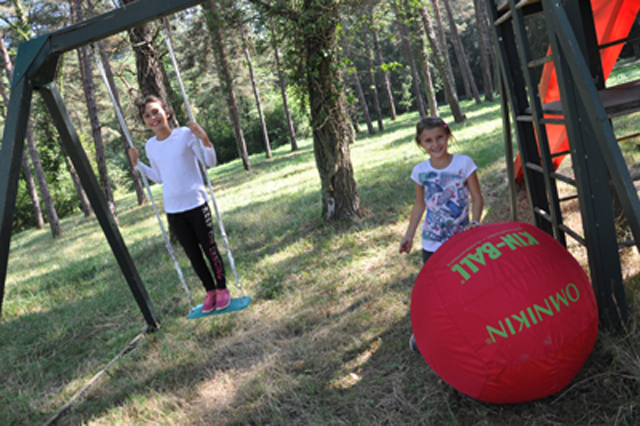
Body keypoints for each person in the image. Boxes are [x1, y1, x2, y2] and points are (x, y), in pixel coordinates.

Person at [129, 95, 229, 313]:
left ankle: (222, 288)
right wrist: (137, 164)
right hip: (174, 210)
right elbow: (158, 177)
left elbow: (210, 162)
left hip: (196, 203)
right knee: (193, 255)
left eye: (155, 112)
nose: (153, 118)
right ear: (144, 122)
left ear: (166, 112)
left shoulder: (185, 134)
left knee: (209, 248)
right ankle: (210, 290)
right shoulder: (150, 146)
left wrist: (204, 138)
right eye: (147, 116)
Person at [399, 116, 484, 352]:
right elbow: (419, 205)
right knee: (435, 291)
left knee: (466, 286)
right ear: (420, 143)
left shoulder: (464, 164)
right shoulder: (420, 171)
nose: (435, 144)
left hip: (462, 240)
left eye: (439, 138)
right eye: (428, 140)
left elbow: (477, 197)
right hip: (432, 243)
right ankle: (426, 335)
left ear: (448, 136)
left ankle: (471, 328)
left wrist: (475, 222)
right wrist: (409, 235)